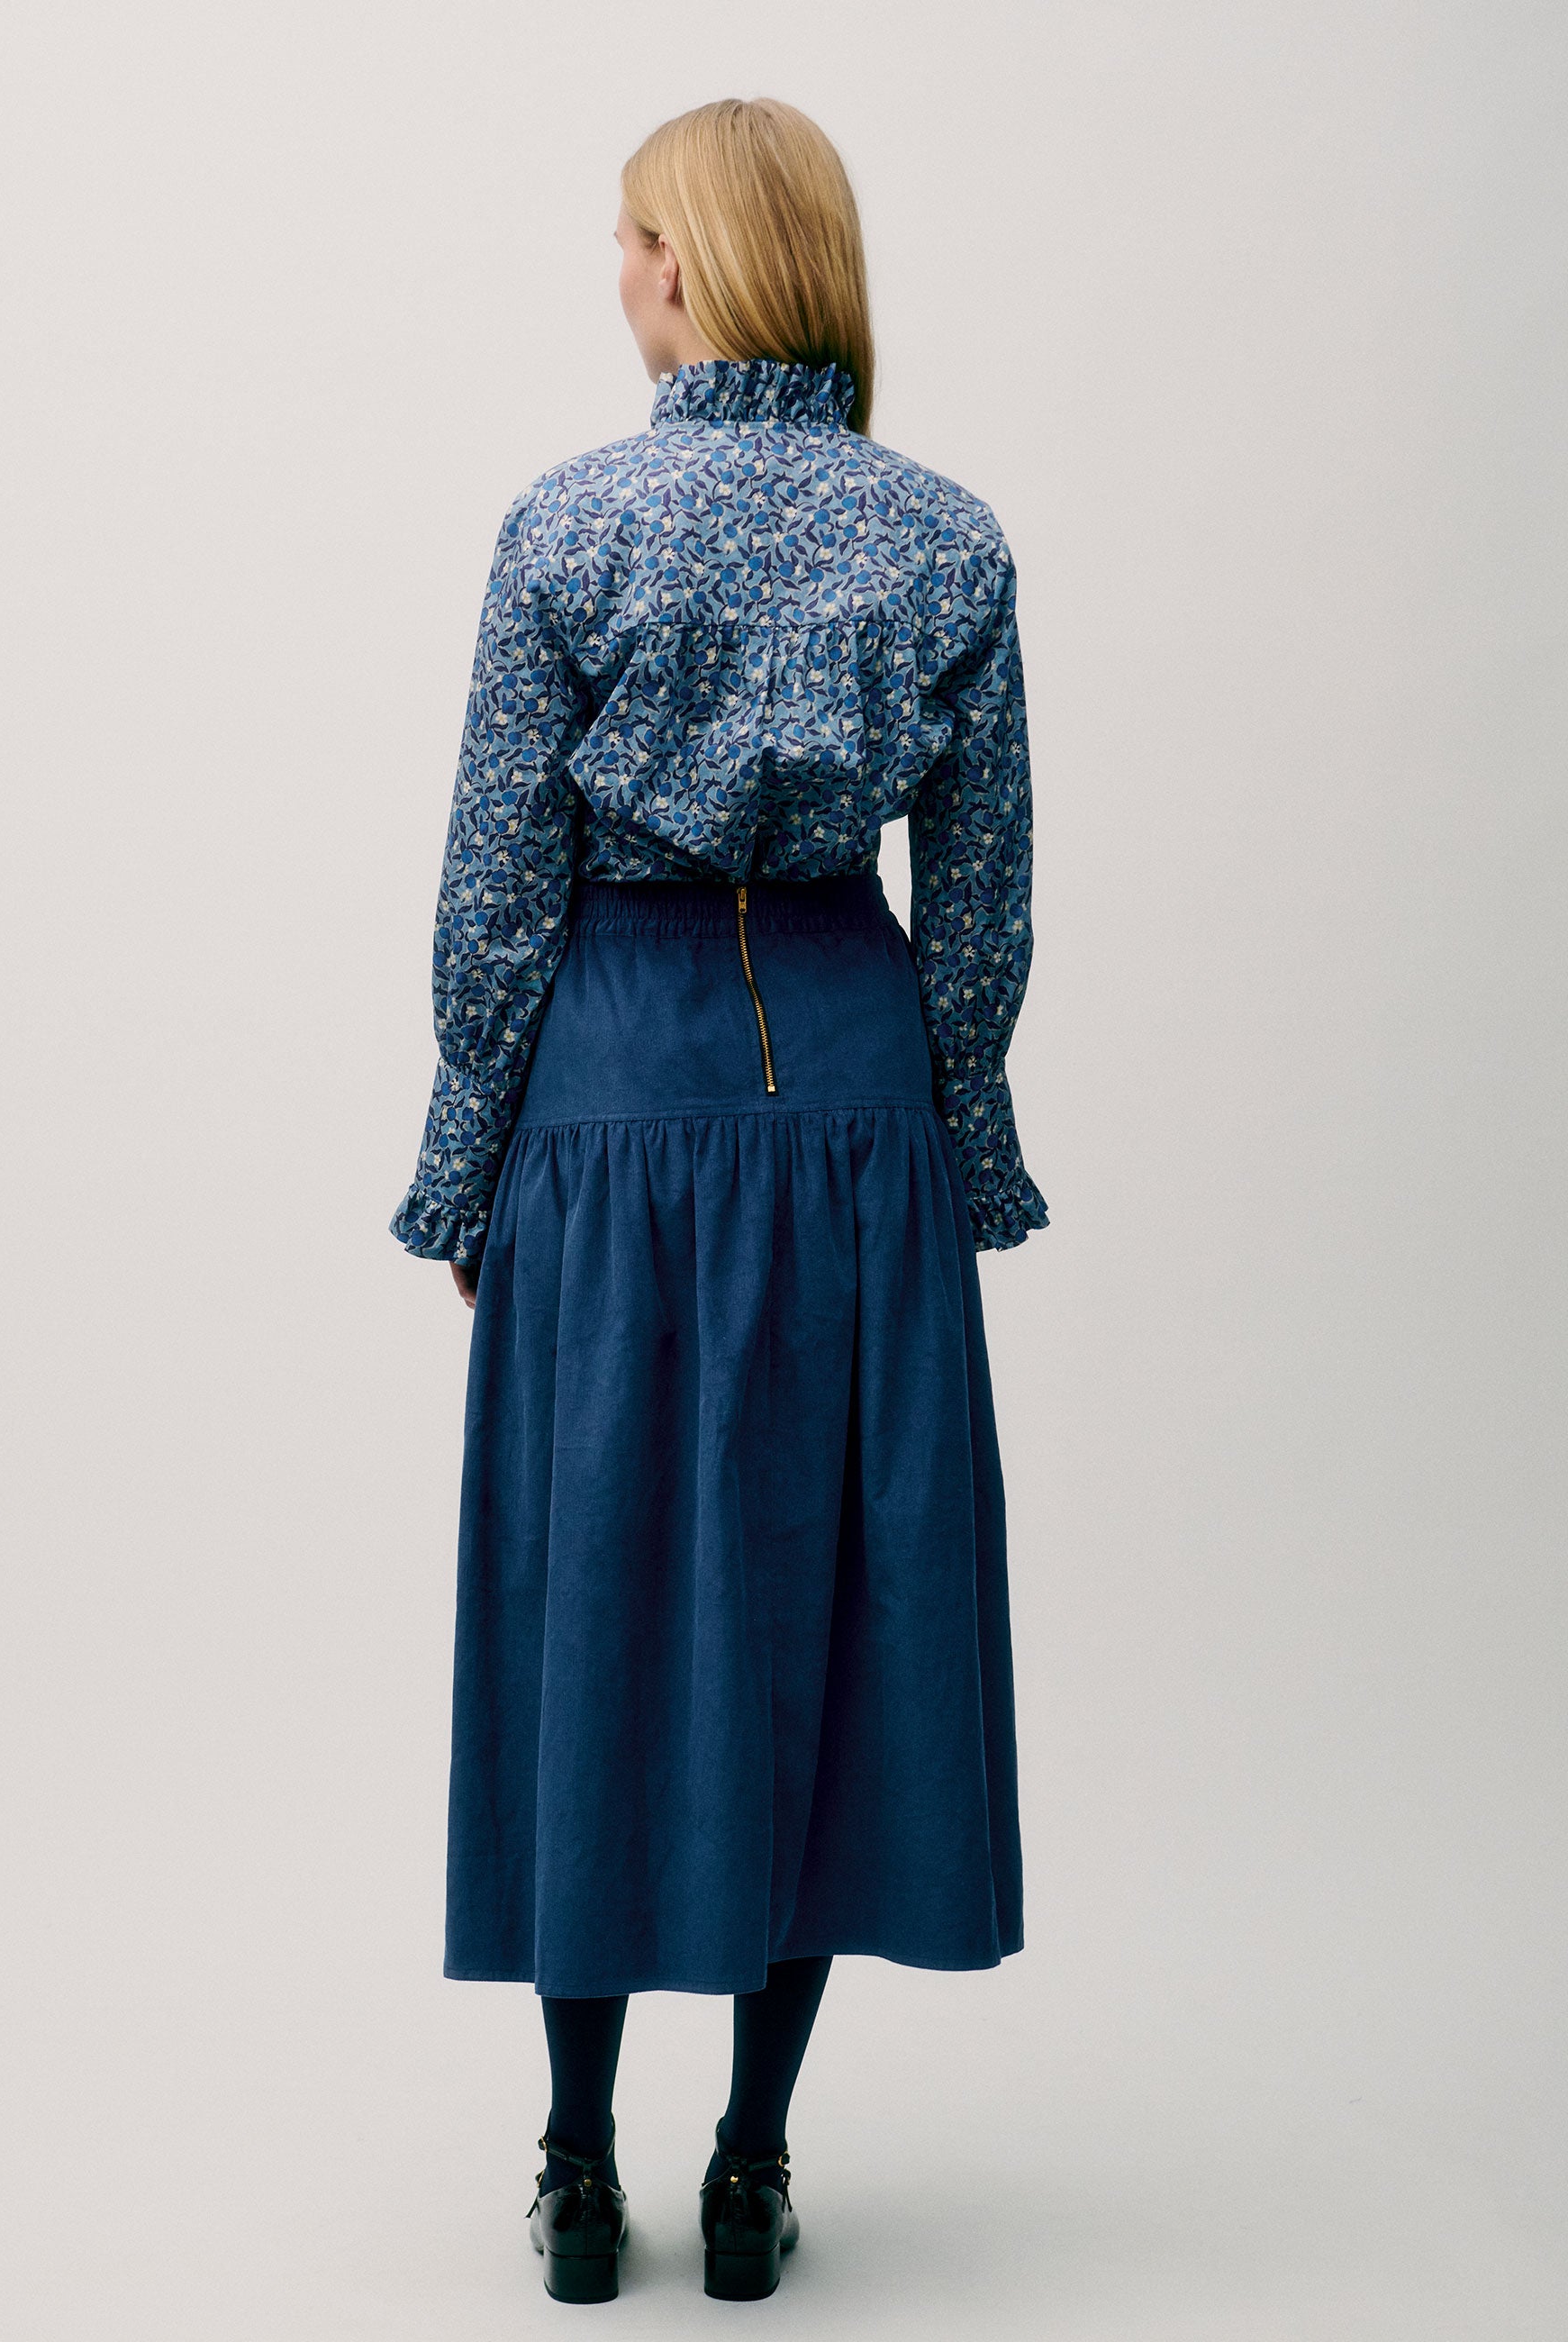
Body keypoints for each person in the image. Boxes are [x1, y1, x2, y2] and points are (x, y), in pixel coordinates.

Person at [390, 95, 1047, 2305]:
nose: (615, 277)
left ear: (692, 267)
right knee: (829, 1618)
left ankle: (577, 2170)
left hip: (615, 1098)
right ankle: (752, 2163)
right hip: (849, 1107)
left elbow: (497, 896)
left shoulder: (567, 528)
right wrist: (963, 1146)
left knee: (595, 1608)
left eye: (630, 241)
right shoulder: (944, 542)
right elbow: (977, 912)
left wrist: (464, 1161)